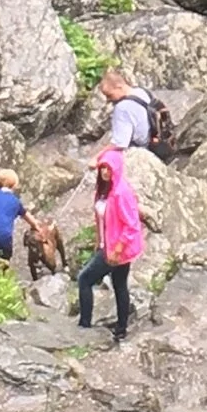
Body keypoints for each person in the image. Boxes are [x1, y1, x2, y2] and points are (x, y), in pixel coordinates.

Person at [77, 146, 144, 343]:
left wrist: (116, 250)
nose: (105, 172)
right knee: (119, 285)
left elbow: (131, 226)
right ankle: (121, 328)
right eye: (102, 168)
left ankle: (84, 325)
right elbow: (102, 218)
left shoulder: (121, 193)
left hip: (117, 249)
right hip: (109, 244)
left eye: (109, 168)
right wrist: (99, 240)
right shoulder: (104, 190)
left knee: (84, 279)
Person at [98, 67, 153, 150]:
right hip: (154, 139)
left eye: (109, 95)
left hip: (141, 149)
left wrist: (96, 158)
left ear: (119, 87)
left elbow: (119, 143)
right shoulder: (141, 91)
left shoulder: (122, 108)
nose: (108, 100)